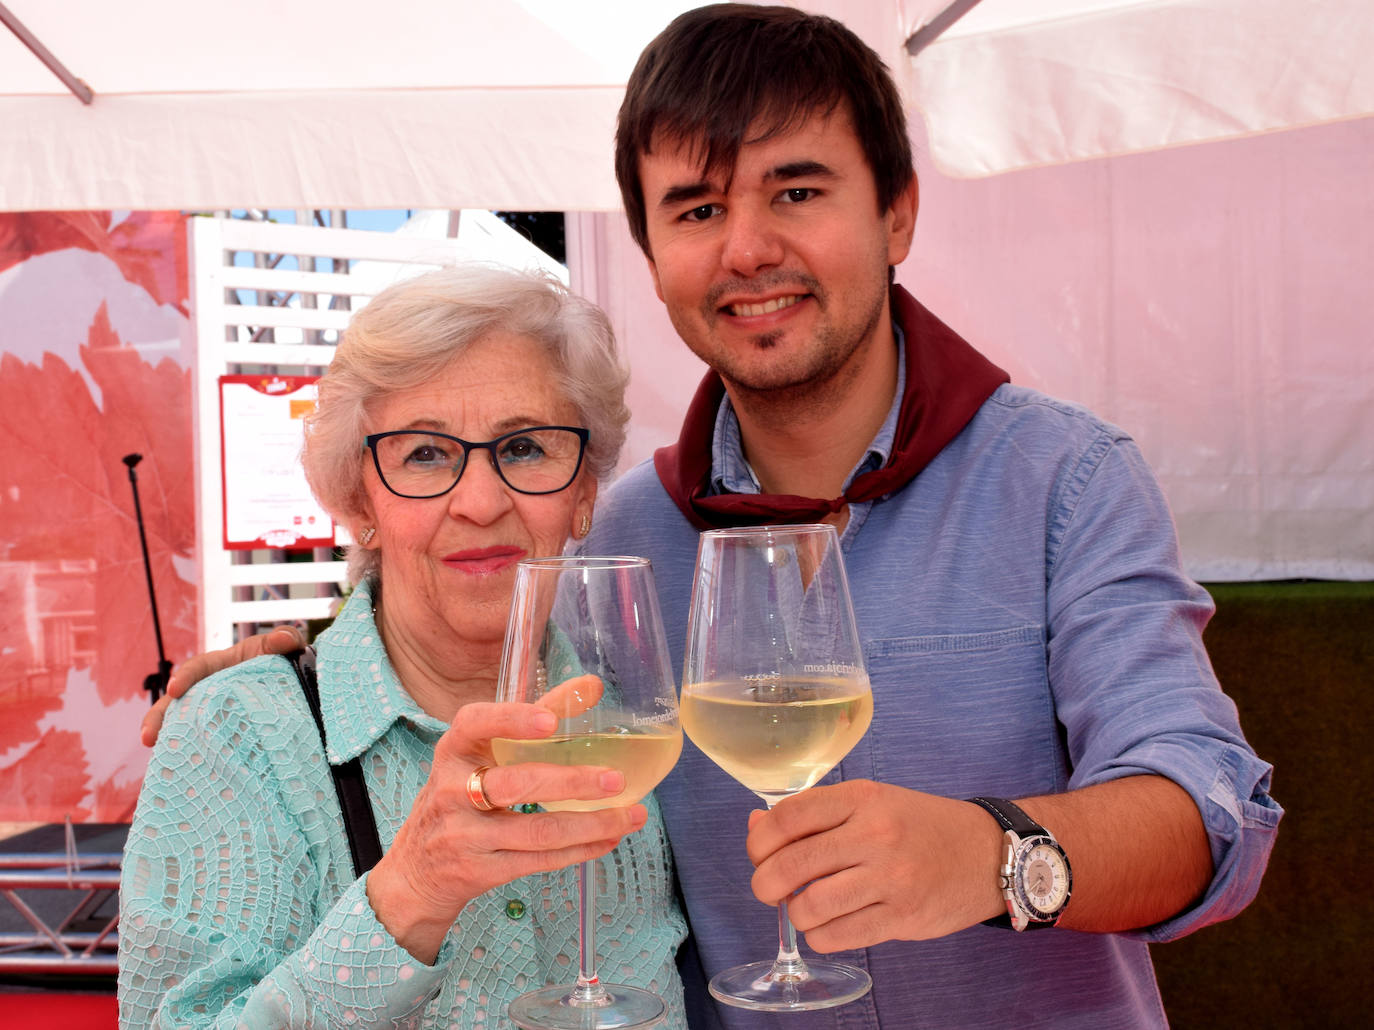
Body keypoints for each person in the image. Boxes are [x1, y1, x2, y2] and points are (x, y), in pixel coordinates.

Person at [146, 5, 1281, 1027]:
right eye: (697, 207)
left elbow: (1213, 811)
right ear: (651, 256)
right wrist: (290, 668)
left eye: (796, 189)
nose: (746, 248)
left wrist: (991, 854)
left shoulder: (1064, 481)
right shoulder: (620, 546)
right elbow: (459, 579)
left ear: (896, 212)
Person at [119, 265, 689, 1028]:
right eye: (423, 454)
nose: (481, 502)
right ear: (360, 501)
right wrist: (409, 893)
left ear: (584, 491)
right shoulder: (237, 735)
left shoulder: (646, 712)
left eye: (523, 448)